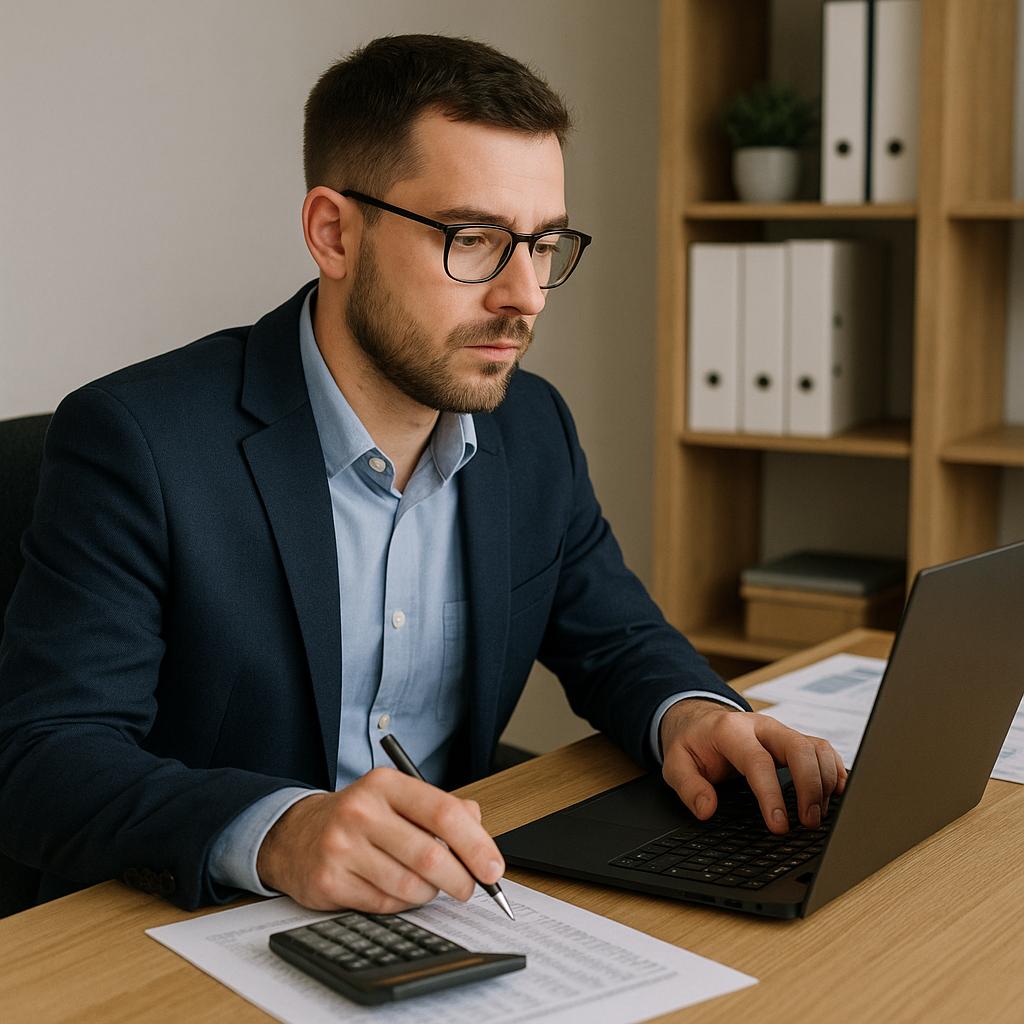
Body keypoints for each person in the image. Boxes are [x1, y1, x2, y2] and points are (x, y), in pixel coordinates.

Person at [0, 34, 845, 914]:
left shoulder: (532, 427)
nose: (523, 295)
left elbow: (617, 639)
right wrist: (279, 830)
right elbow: (45, 757)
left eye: (544, 244)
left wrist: (694, 714)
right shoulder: (139, 441)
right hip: (195, 920)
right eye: (474, 239)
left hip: (444, 908)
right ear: (334, 232)